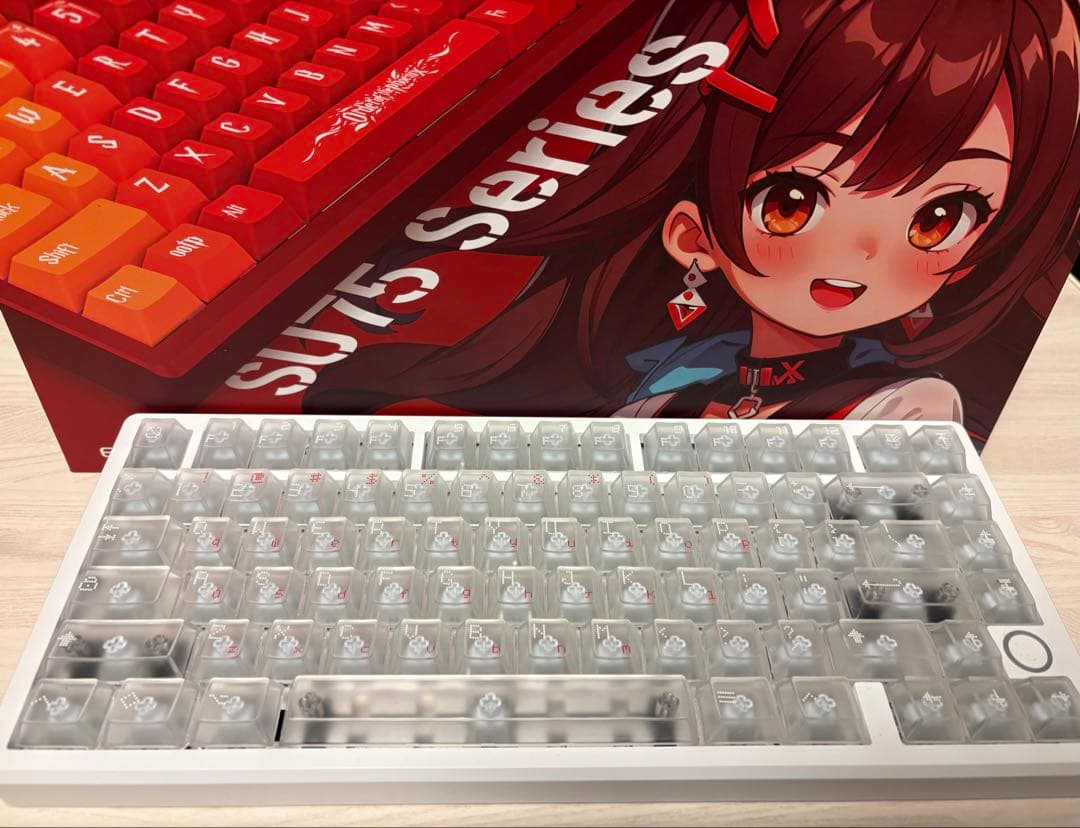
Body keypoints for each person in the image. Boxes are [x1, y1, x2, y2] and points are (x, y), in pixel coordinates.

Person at [306, 0, 1080, 441]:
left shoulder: (902, 409)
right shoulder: (662, 382)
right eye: (792, 202)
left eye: (939, 217)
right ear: (693, 235)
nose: (862, 253)